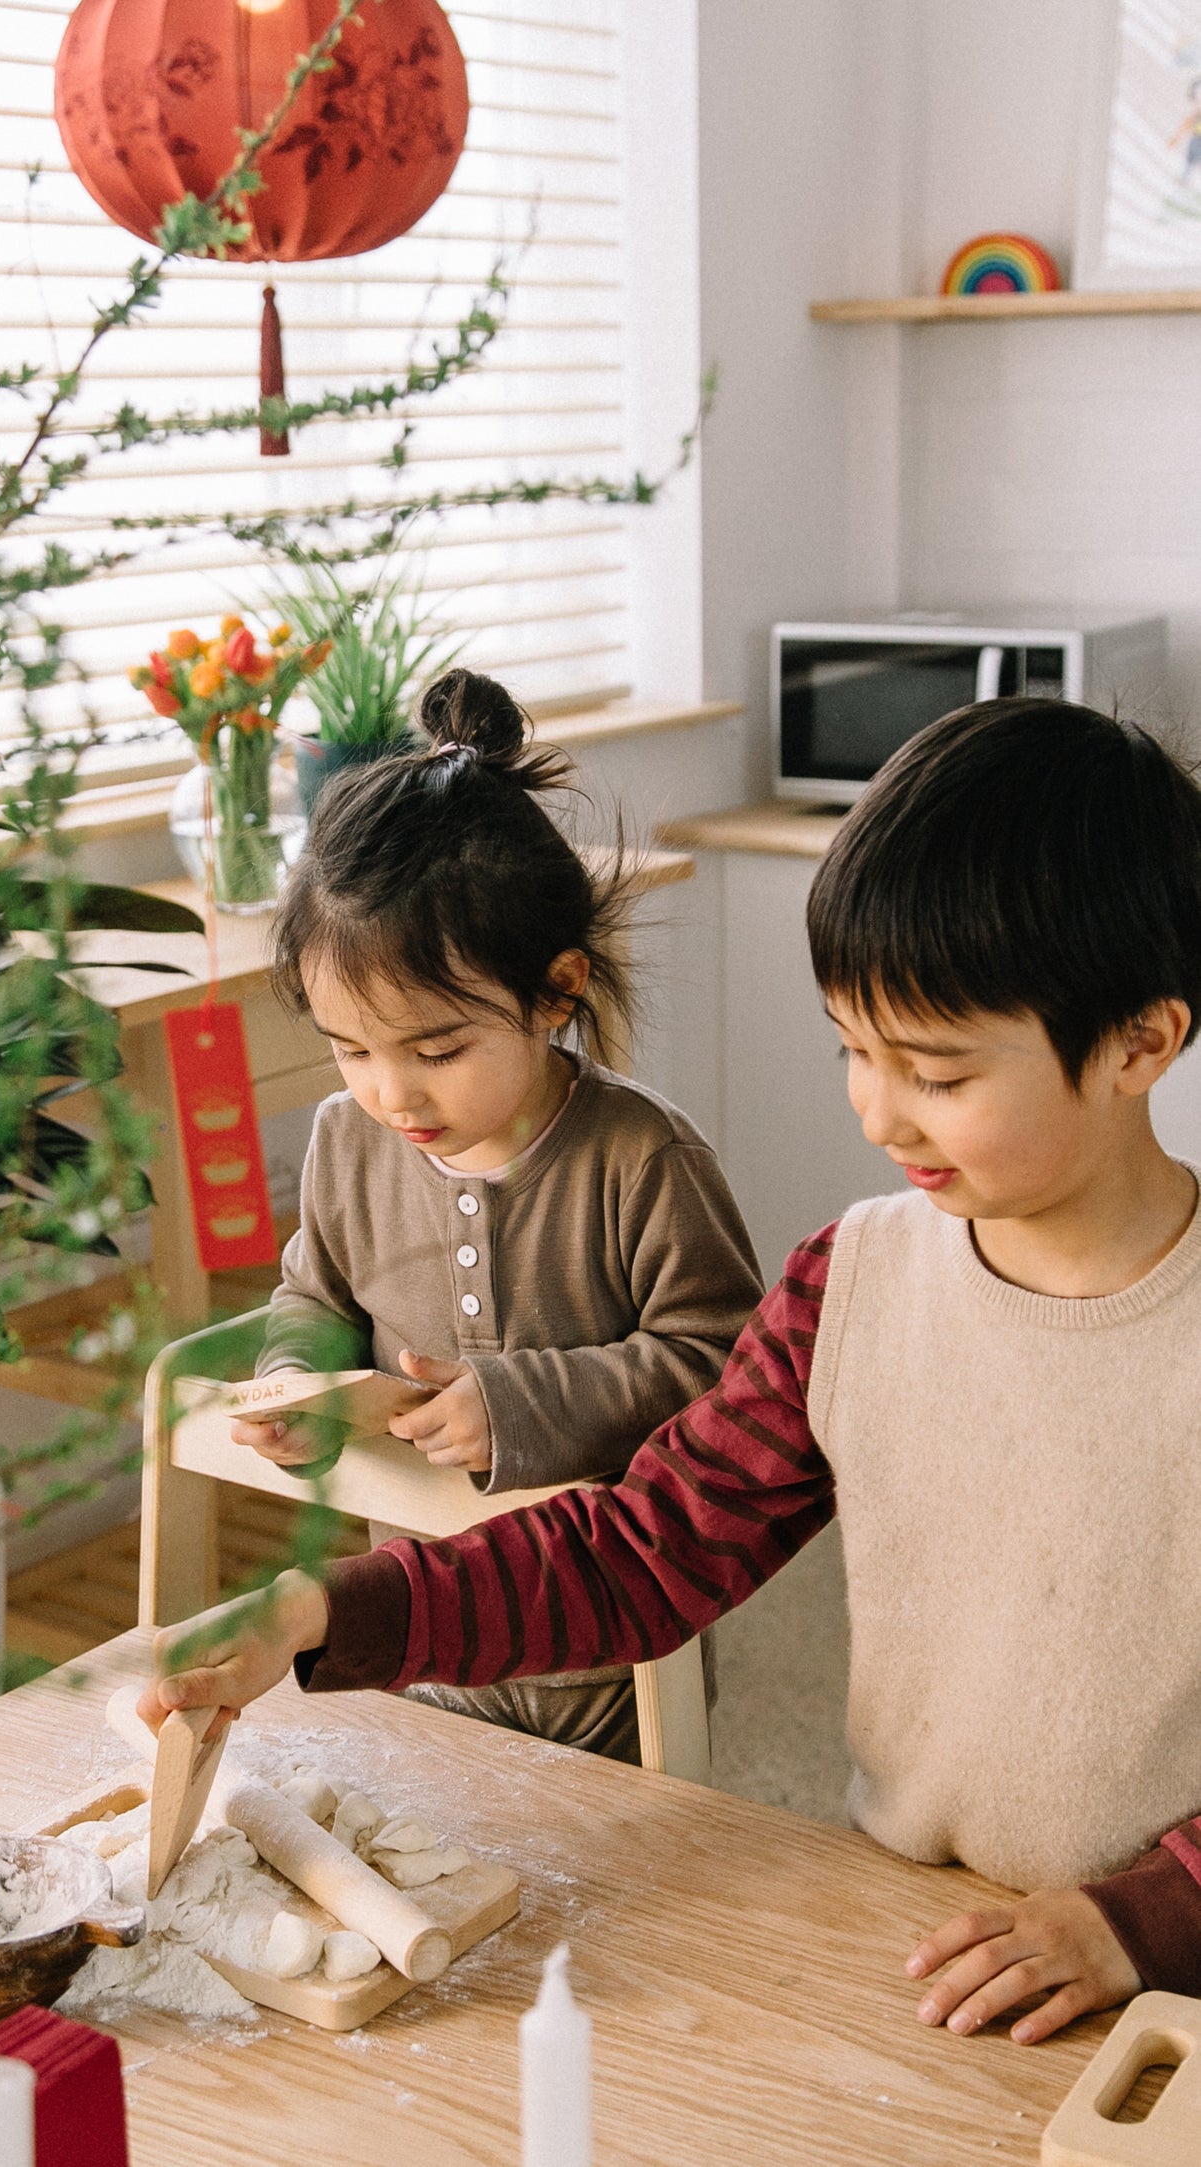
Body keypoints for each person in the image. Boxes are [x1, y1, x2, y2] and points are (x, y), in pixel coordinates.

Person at [141, 696, 1201, 2044]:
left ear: (1139, 1041)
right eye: (851, 1050)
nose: (875, 1111)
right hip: (924, 1931)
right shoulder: (849, 1281)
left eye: (932, 1069)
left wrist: (1138, 1916)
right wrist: (312, 1609)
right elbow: (638, 1552)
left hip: (1166, 1977)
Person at [222, 665, 763, 1761]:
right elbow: (314, 1294)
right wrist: (299, 1376)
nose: (391, 1093)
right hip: (417, 1643)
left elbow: (726, 1370)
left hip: (613, 1665)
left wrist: (516, 1402)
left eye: (436, 1049)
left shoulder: (639, 1160)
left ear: (557, 991)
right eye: (350, 1048)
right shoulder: (346, 1140)